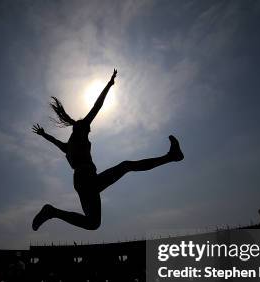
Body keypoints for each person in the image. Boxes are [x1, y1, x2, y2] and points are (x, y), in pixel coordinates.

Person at [31, 69, 184, 231]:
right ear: (83, 128)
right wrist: (109, 84)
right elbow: (98, 105)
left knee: (93, 223)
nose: (90, 132)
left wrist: (43, 134)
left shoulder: (68, 146)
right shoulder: (82, 129)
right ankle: (171, 156)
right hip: (88, 179)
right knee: (126, 166)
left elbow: (54, 141)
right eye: (88, 130)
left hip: (81, 182)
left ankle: (52, 212)